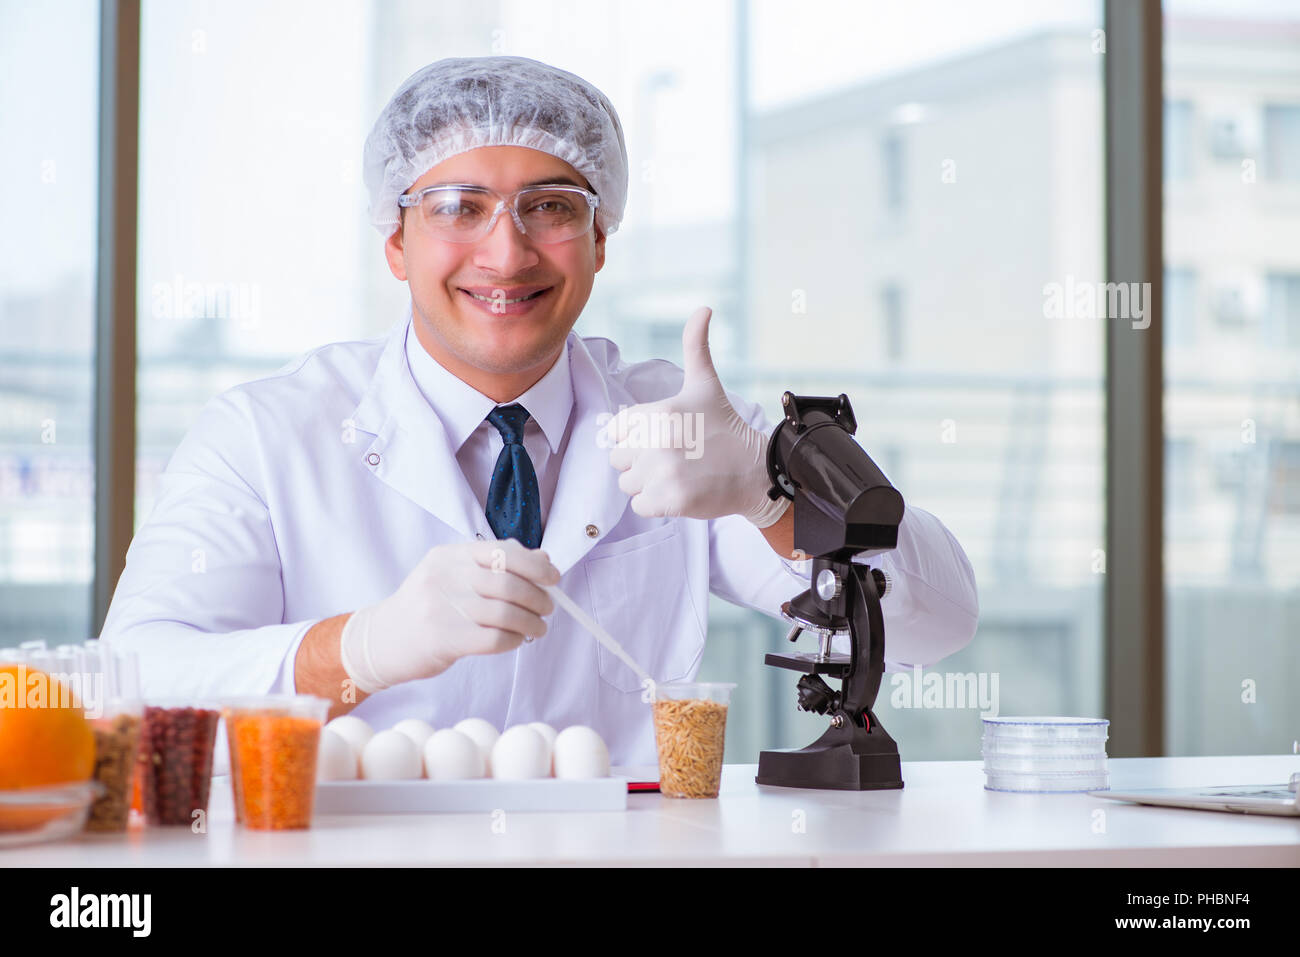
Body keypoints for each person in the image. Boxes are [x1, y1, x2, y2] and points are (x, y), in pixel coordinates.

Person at [100, 56, 979, 766]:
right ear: (396, 243)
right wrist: (359, 647)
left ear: (601, 239)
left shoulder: (680, 420)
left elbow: (937, 623)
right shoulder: (263, 434)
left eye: (550, 206)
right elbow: (128, 683)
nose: (507, 249)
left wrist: (774, 493)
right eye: (457, 207)